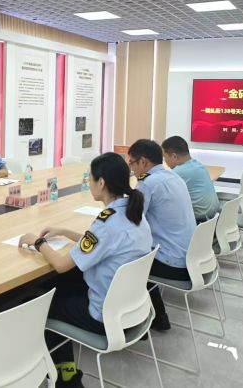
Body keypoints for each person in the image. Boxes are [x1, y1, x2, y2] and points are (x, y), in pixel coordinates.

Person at [18, 153, 152, 386]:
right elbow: (103, 244)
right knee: (64, 284)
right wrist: (65, 232)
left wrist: (38, 243)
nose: (89, 183)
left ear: (101, 183)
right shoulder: (134, 212)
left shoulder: (107, 222)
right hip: (129, 308)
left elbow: (61, 265)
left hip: (103, 316)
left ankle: (66, 377)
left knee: (37, 303)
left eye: (90, 178)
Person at [127, 138, 196, 331]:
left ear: (143, 162)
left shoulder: (148, 183)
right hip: (191, 258)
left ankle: (150, 318)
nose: (131, 169)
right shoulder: (174, 177)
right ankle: (155, 316)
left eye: (132, 163)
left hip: (174, 263)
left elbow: (131, 222)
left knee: (127, 260)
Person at [161, 136, 221, 223]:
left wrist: (143, 175)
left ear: (174, 156)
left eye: (165, 157)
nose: (165, 161)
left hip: (198, 222)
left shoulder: (178, 173)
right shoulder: (197, 164)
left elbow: (161, 192)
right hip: (213, 219)